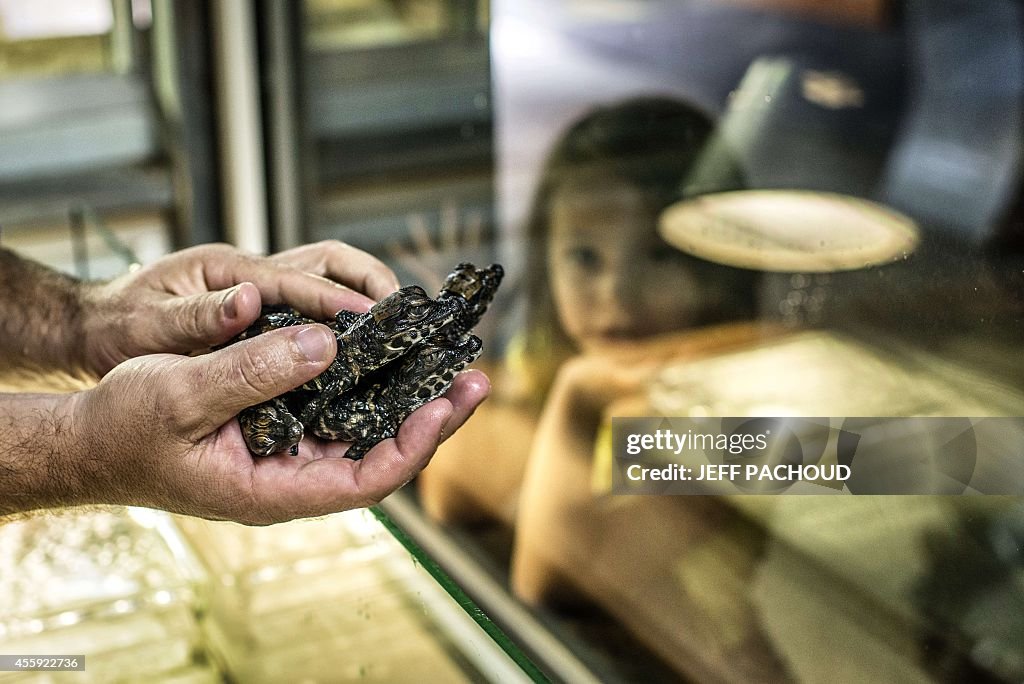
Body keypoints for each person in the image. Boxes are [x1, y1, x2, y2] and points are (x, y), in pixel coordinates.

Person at [0, 240, 489, 525]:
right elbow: (324, 413)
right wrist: (83, 446)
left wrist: (81, 319)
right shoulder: (323, 384)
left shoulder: (375, 350)